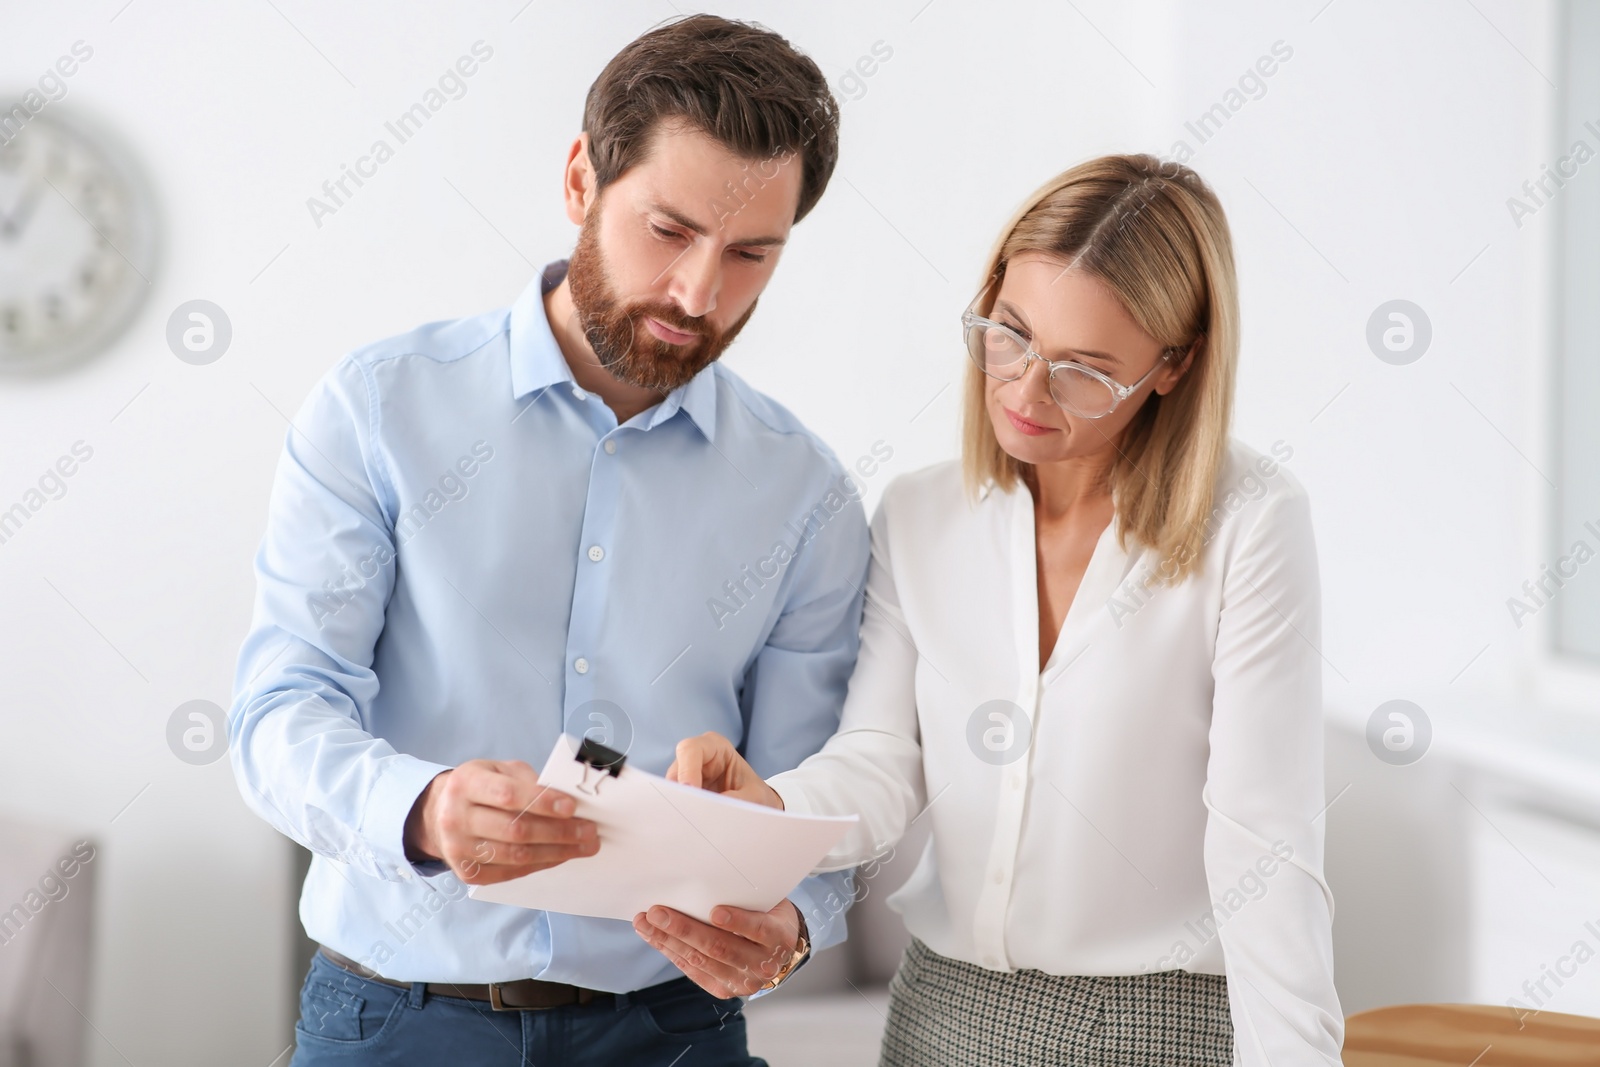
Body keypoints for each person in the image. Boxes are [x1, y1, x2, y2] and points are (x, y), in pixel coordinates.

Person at [228, 15, 866, 1066]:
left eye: (751, 252)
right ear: (581, 181)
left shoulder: (805, 492)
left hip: (674, 1031)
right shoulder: (380, 409)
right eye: (669, 231)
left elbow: (814, 793)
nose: (700, 294)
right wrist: (423, 809)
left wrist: (792, 925)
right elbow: (277, 712)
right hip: (396, 1019)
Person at [650, 154, 1345, 1065]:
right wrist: (770, 804)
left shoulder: (1249, 524)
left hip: (1158, 1024)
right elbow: (881, 763)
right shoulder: (921, 513)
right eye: (1010, 335)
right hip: (944, 1008)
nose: (1023, 392)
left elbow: (1266, 849)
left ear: (1173, 367)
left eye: (1084, 371)